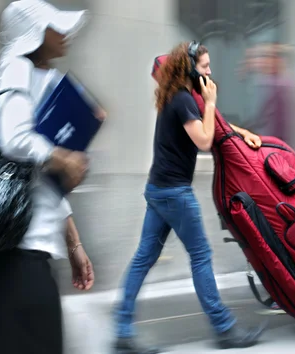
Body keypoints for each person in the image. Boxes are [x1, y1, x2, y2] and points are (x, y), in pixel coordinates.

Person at [0, 1, 100, 353]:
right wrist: (62, 156)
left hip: (19, 253)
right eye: (55, 26)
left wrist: (74, 243)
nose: (64, 34)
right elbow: (15, 140)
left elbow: (39, 180)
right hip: (12, 256)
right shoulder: (15, 68)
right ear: (34, 33)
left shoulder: (38, 79)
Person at [113, 42, 265, 353]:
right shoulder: (183, 99)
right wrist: (211, 102)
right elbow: (205, 139)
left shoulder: (177, 95)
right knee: (200, 255)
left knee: (144, 258)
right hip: (174, 194)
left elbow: (209, 125)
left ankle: (122, 331)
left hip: (158, 190)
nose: (210, 71)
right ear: (190, 68)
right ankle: (224, 329)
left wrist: (241, 131)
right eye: (205, 66)